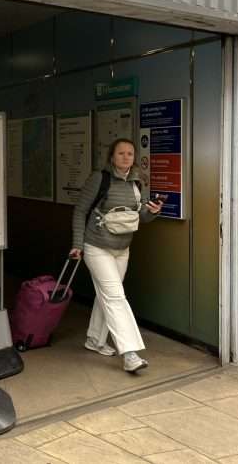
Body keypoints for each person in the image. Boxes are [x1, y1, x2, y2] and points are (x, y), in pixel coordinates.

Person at [69, 138, 162, 373]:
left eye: (130, 154)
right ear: (112, 156)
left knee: (107, 295)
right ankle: (130, 353)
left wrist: (153, 212)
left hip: (122, 249)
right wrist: (77, 244)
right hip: (96, 246)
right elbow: (80, 211)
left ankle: (94, 340)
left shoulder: (136, 183)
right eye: (121, 153)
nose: (126, 157)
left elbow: (139, 216)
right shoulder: (99, 179)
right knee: (115, 296)